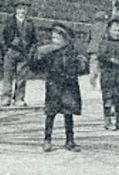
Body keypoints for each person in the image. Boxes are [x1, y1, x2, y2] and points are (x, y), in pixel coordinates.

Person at [31, 23, 87, 151]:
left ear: (65, 38)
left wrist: (80, 64)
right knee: (51, 113)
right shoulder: (48, 51)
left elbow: (82, 67)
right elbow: (37, 67)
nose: (54, 40)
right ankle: (47, 139)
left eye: (57, 38)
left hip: (69, 85)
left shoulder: (72, 51)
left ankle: (70, 140)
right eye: (53, 38)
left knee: (69, 113)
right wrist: (38, 57)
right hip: (54, 84)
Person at [95, 17, 119, 131]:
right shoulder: (104, 43)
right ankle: (107, 121)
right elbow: (100, 56)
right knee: (108, 98)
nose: (117, 33)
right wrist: (110, 59)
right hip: (108, 75)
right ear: (108, 30)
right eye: (114, 30)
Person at [0, 2, 37, 108]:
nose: (22, 11)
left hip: (24, 53)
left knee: (21, 77)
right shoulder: (8, 21)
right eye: (19, 9)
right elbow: (0, 37)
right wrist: (5, 50)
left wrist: (30, 51)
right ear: (15, 10)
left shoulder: (30, 23)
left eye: (24, 9)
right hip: (10, 51)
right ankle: (6, 98)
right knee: (8, 76)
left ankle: (19, 98)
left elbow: (34, 40)